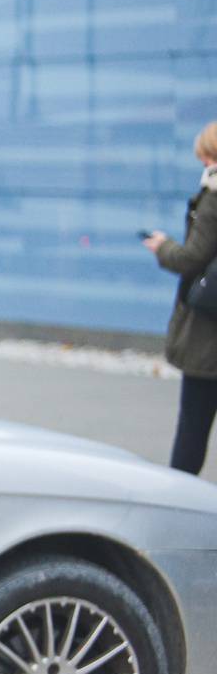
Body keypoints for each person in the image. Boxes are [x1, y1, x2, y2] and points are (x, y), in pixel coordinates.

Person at [147, 122, 217, 475]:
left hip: (209, 330)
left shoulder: (214, 196)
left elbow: (192, 258)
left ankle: (178, 498)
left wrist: (163, 247)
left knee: (193, 424)